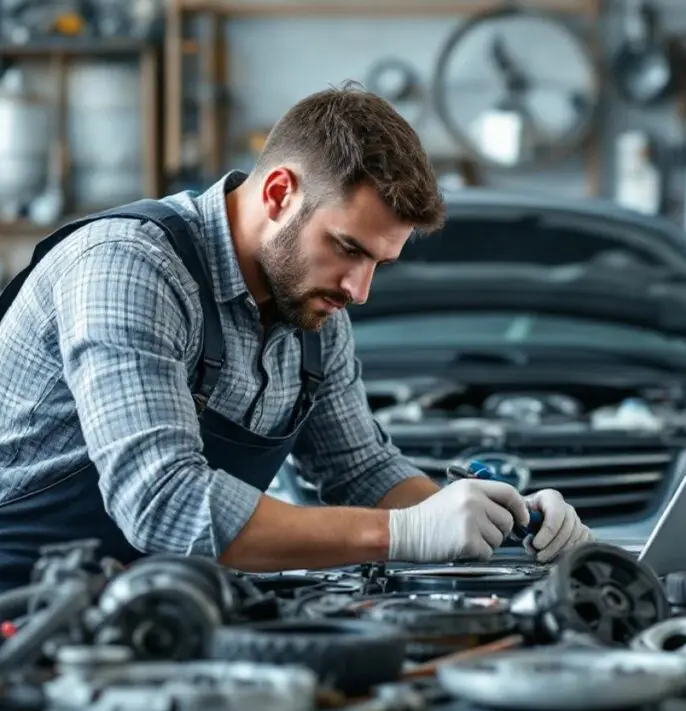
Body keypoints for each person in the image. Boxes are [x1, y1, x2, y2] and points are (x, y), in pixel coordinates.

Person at [0, 83, 593, 591]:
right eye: (349, 249)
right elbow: (166, 505)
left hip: (142, 608)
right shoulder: (128, 268)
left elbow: (364, 471)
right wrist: (403, 535)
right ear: (280, 193)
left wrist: (500, 520)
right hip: (17, 608)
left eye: (378, 264)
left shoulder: (312, 311)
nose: (359, 291)